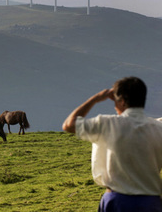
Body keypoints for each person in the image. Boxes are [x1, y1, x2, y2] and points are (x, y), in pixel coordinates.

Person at [62, 76, 162, 211]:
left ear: (123, 101)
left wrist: (96, 98)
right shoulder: (158, 128)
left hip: (117, 200)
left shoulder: (107, 123)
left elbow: (69, 125)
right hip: (151, 202)